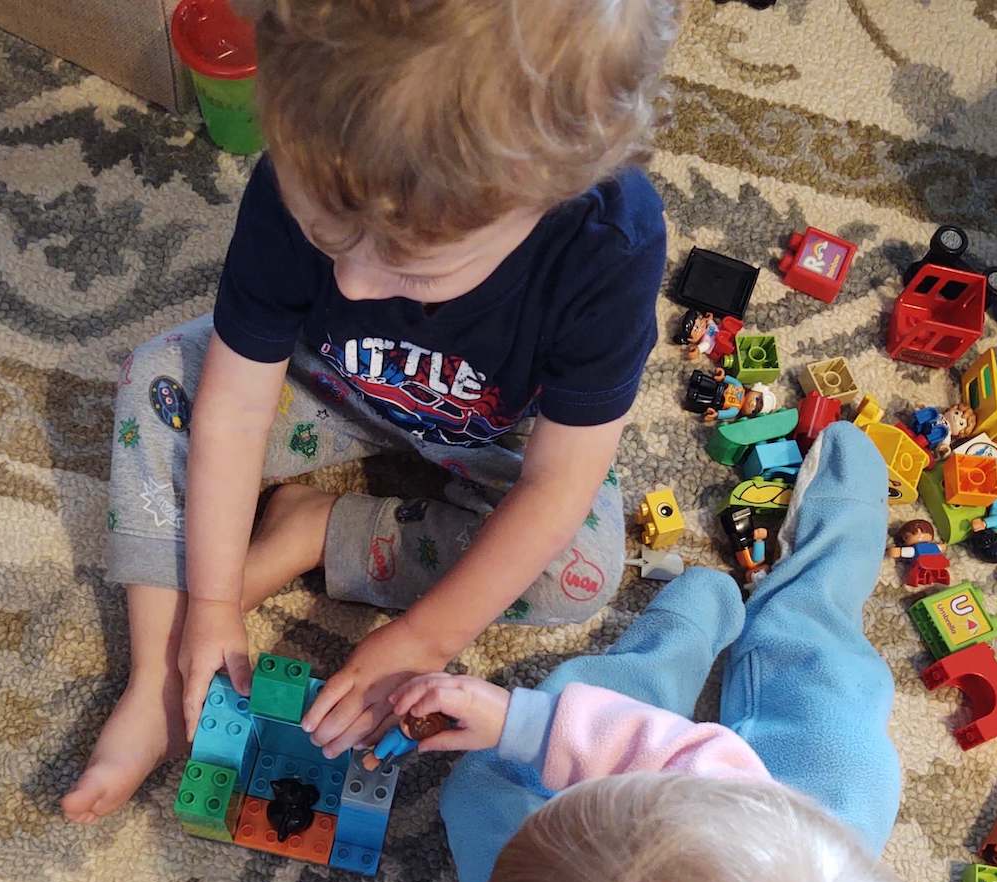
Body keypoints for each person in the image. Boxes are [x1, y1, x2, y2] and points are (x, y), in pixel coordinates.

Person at [62, 0, 680, 823]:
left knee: (581, 568)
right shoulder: (310, 164)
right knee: (159, 378)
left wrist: (425, 638)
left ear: (548, 197)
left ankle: (319, 530)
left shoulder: (609, 246)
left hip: (492, 430)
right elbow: (234, 410)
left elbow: (558, 483)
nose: (349, 286)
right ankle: (154, 676)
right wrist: (208, 608)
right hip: (325, 381)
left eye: (412, 273)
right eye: (326, 239)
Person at [390, 424, 946, 882]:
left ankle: (665, 655)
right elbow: (690, 764)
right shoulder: (751, 834)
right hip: (804, 857)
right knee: (840, 730)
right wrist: (524, 723)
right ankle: (822, 577)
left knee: (485, 785)